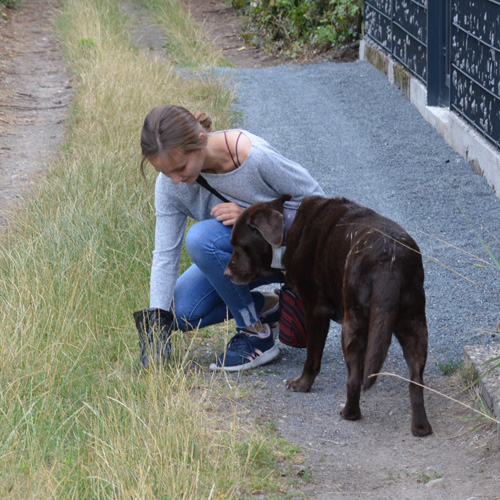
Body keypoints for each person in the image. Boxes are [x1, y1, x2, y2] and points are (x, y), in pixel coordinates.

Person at [133, 104, 324, 372]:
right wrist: (157, 322)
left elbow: (320, 203)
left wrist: (251, 216)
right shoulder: (170, 187)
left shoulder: (253, 156)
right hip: (249, 259)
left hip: (293, 254)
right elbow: (165, 255)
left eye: (180, 168)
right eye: (165, 172)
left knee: (201, 238)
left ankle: (255, 336)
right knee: (179, 313)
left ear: (200, 141)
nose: (175, 180)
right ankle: (269, 306)